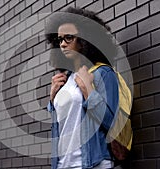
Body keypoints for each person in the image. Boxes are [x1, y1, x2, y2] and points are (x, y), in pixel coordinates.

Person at [45, 7, 119, 169]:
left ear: (85, 39)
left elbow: (112, 123)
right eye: (60, 40)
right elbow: (62, 122)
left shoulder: (103, 73)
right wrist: (52, 99)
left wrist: (88, 91)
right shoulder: (66, 78)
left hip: (93, 163)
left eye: (69, 38)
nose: (63, 44)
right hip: (63, 164)